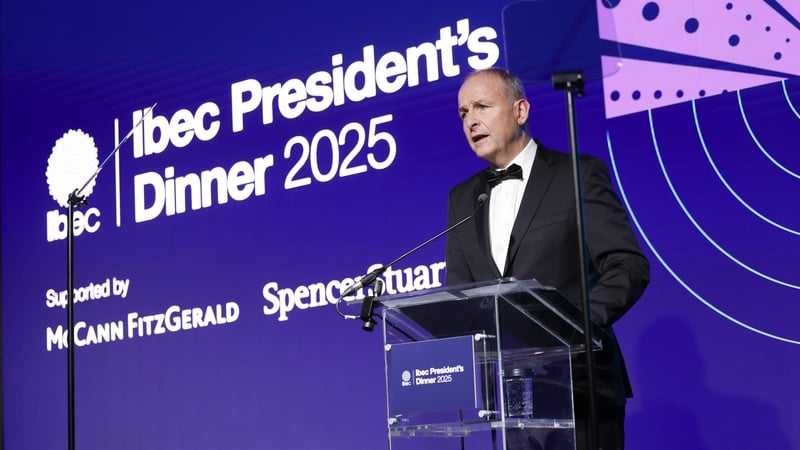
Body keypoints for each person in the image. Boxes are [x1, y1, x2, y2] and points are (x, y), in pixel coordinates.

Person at [445, 67, 650, 450]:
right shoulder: (462, 199)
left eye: (482, 107)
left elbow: (628, 265)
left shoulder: (578, 174)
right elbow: (460, 296)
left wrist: (568, 329)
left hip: (580, 385)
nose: (471, 120)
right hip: (509, 397)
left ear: (520, 111)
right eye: (463, 113)